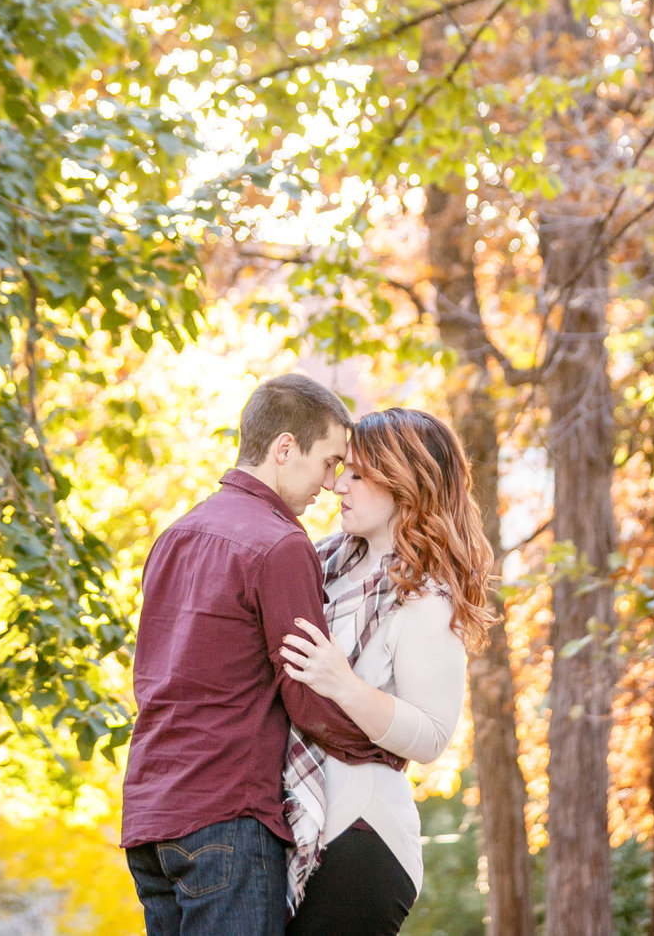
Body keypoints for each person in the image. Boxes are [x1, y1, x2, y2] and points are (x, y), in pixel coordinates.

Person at [121, 372, 405, 936]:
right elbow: (307, 692)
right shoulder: (281, 544)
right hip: (225, 816)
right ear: (284, 448)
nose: (331, 484)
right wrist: (383, 747)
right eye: (328, 462)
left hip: (149, 816)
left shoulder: (175, 535)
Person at [280, 407, 495, 936]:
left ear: (405, 481)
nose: (338, 486)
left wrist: (343, 685)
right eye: (341, 470)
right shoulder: (321, 563)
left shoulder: (425, 597)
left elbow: (431, 736)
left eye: (358, 473)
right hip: (301, 825)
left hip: (362, 839)